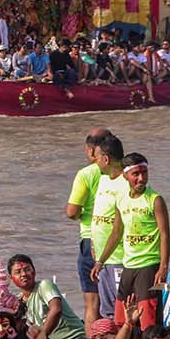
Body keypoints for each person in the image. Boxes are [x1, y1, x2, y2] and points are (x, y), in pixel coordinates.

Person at [92, 152, 169, 339]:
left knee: (148, 322)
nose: (141, 178)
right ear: (126, 175)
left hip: (148, 265)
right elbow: (116, 232)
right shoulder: (121, 199)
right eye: (136, 174)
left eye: (144, 173)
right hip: (128, 265)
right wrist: (100, 262)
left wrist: (163, 266)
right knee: (123, 320)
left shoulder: (155, 200)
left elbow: (164, 233)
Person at [65, 128, 110, 328]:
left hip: (91, 238)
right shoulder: (122, 171)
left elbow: (71, 211)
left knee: (92, 303)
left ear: (92, 151)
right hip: (118, 241)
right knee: (116, 300)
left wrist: (83, 214)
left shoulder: (86, 174)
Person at [87, 133, 128, 323]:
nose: (94, 160)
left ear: (106, 158)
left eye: (96, 156)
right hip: (102, 258)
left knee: (122, 311)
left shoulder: (126, 183)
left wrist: (101, 260)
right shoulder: (103, 180)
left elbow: (119, 227)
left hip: (118, 258)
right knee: (107, 310)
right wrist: (96, 247)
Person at [8, 252, 84, 339]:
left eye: (27, 269)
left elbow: (56, 309)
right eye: (18, 272)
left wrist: (43, 334)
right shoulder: (18, 301)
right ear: (11, 278)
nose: (23, 274)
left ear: (34, 272)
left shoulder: (44, 286)